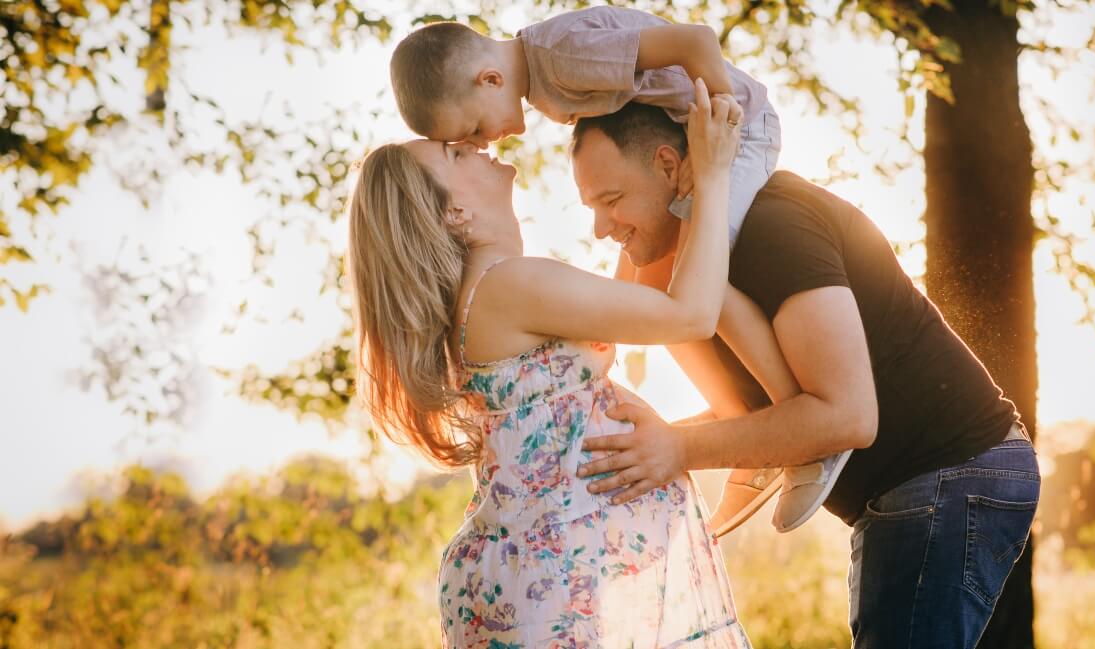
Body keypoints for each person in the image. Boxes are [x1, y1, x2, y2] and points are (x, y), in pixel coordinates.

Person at [570, 103, 1042, 648]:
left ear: (669, 166)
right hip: (924, 485)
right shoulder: (698, 270)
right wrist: (647, 445)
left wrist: (678, 448)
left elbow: (846, 416)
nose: (602, 229)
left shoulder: (773, 225)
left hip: (948, 474)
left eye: (611, 201)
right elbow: (755, 412)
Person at [388, 6, 850, 534]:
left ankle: (798, 430)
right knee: (662, 271)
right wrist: (619, 294)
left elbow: (696, 42)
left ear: (489, 79)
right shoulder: (550, 83)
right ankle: (747, 418)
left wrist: (720, 118)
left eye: (474, 131)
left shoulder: (562, 59)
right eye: (467, 145)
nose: (484, 144)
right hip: (694, 136)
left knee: (703, 274)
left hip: (735, 130)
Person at [348, 81, 753, 647]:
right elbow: (688, 316)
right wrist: (710, 174)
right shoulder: (510, 284)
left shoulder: (489, 295)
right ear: (457, 212)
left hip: (551, 579)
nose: (474, 143)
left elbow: (618, 321)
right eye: (456, 154)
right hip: (558, 586)